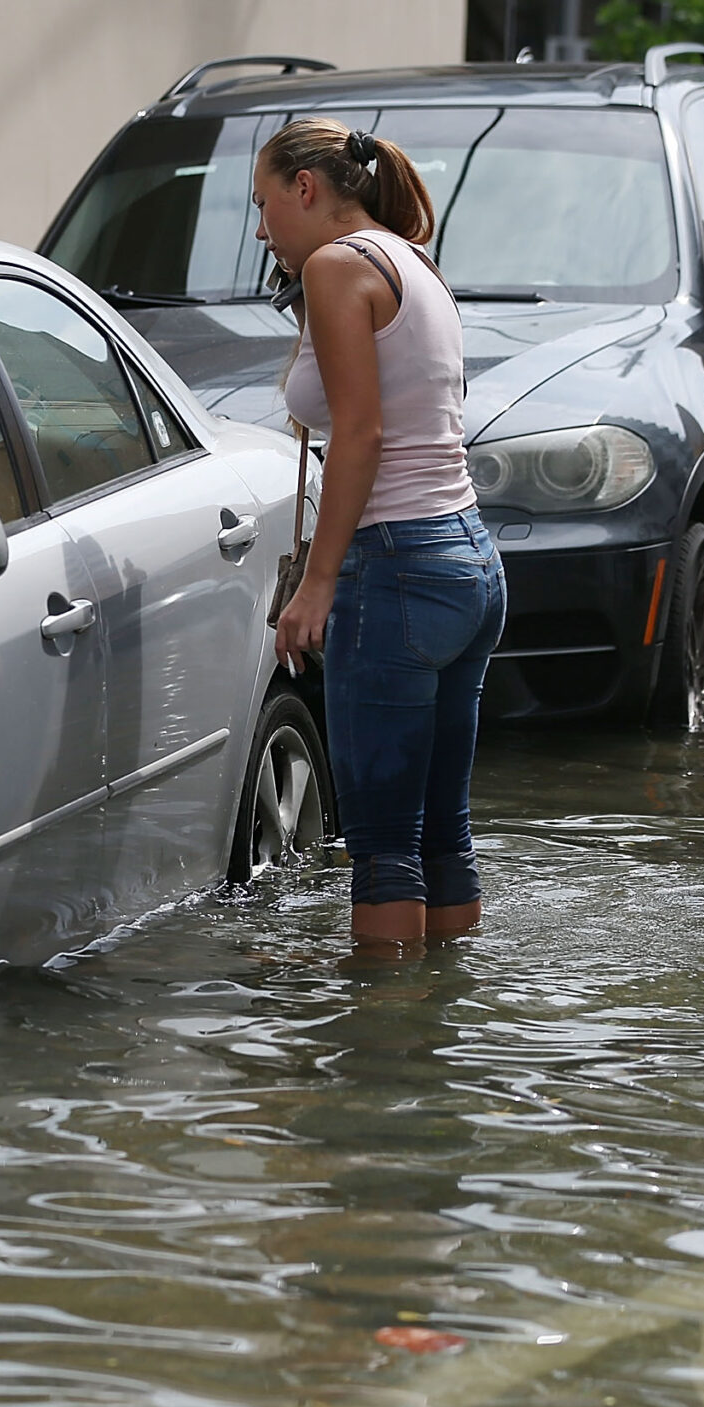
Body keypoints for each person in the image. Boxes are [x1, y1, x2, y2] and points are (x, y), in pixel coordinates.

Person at [257, 118, 505, 959]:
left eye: (263, 205)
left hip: (397, 569)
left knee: (383, 854)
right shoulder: (411, 261)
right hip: (468, 561)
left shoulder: (336, 268)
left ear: (305, 188)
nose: (262, 231)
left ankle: (380, 1065)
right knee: (444, 836)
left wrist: (316, 583)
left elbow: (358, 436)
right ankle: (444, 1029)